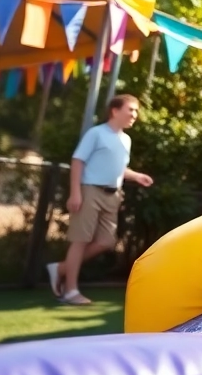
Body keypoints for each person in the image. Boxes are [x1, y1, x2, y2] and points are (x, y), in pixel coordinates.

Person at [47, 94, 153, 306]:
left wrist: (136, 176)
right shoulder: (96, 133)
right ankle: (70, 291)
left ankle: (59, 269)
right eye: (130, 110)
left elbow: (118, 168)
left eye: (136, 111)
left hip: (113, 195)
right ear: (115, 111)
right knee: (81, 240)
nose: (134, 115)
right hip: (89, 191)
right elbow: (78, 161)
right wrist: (75, 193)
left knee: (106, 241)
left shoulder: (126, 139)